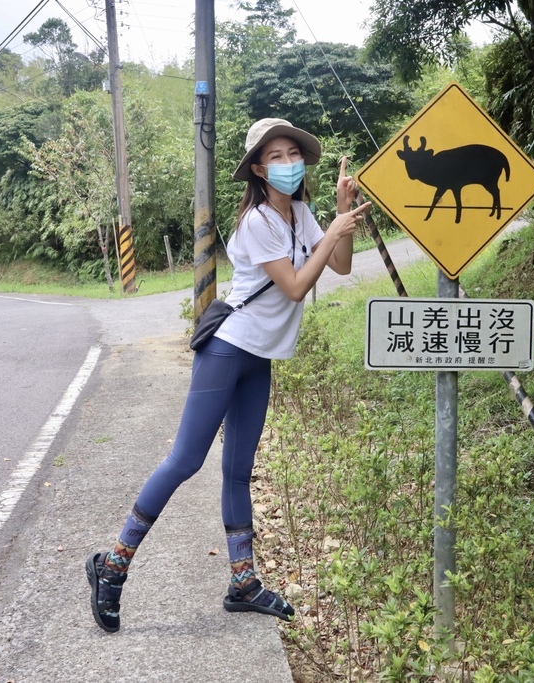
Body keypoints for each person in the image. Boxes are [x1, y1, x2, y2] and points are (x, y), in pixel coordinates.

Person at [86, 118, 372, 631]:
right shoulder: (258, 222)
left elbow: (343, 266)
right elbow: (294, 286)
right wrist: (331, 232)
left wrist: (341, 212)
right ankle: (112, 565)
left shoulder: (302, 214)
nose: (289, 163)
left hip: (259, 358)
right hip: (226, 349)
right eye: (277, 156)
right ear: (260, 169)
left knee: (240, 470)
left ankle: (242, 582)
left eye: (293, 154)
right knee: (185, 460)